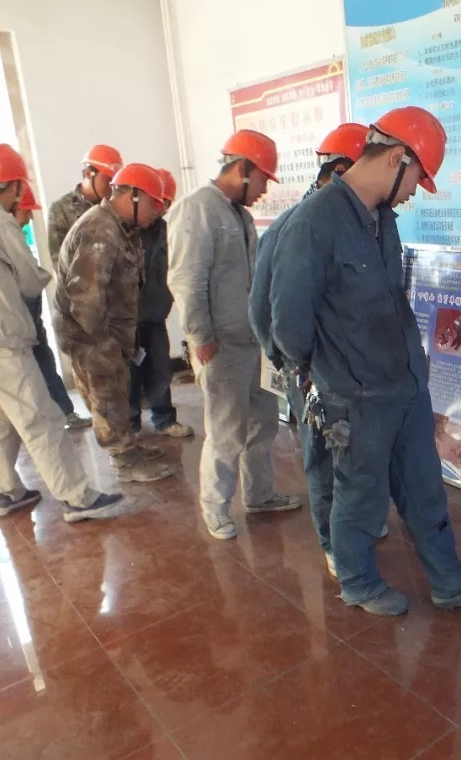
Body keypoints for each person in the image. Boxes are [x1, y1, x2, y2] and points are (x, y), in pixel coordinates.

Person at [269, 107, 461, 616]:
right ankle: (357, 582)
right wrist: (330, 376)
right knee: (359, 496)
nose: (416, 191)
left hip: (405, 385)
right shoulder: (313, 223)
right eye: (419, 177)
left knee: (425, 492)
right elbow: (287, 323)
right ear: (398, 158)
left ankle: (451, 583)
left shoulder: (383, 220)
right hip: (354, 395)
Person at [250, 122, 387, 577]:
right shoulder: (297, 226)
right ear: (343, 170)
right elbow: (262, 309)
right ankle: (332, 542)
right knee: (323, 456)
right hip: (311, 371)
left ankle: (354, 524)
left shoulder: (363, 223)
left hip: (354, 372)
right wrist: (294, 365)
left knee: (356, 451)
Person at [168, 130, 300, 541]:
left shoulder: (238, 214)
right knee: (226, 432)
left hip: (254, 342)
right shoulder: (197, 209)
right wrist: (200, 337)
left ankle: (260, 495)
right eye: (262, 179)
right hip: (220, 345)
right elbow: (187, 280)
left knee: (263, 424)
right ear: (242, 169)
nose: (264, 190)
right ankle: (216, 508)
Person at [0, 143, 124, 522]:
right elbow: (29, 280)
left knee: (4, 420)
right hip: (5, 340)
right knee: (41, 420)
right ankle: (76, 497)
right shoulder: (2, 222)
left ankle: (5, 490)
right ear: (13, 185)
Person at [54, 163, 176, 484]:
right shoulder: (99, 230)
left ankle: (128, 447)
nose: (158, 212)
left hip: (110, 331)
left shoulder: (122, 228)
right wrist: (105, 346)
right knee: (107, 395)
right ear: (133, 196)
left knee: (118, 392)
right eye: (154, 203)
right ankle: (124, 459)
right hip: (91, 335)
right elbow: (86, 301)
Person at [12, 184, 93, 429]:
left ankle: (65, 413)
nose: (29, 217)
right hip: (13, 322)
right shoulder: (6, 238)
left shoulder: (15, 237)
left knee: (44, 359)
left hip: (30, 312)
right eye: (26, 211)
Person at [129, 167, 193, 438]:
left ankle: (165, 419)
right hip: (127, 319)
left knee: (160, 368)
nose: (161, 208)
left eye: (166, 203)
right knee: (128, 375)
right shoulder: (125, 231)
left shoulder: (168, 231)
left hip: (155, 315)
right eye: (158, 201)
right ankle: (130, 424)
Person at [47, 144, 123, 271]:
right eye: (107, 180)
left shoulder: (115, 207)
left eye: (114, 182)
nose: (111, 187)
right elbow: (59, 263)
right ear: (88, 173)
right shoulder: (60, 209)